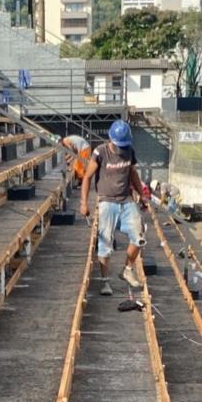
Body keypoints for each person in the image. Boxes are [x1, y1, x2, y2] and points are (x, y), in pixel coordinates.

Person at [80, 120, 148, 296]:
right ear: (111, 139)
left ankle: (127, 269)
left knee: (139, 237)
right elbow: (87, 177)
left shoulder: (129, 152)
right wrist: (83, 203)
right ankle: (105, 281)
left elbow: (133, 174)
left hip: (126, 200)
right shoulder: (100, 152)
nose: (121, 148)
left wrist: (142, 196)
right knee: (105, 244)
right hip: (106, 201)